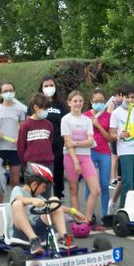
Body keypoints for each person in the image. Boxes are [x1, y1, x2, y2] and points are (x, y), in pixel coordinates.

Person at [10, 163, 84, 255]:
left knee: (54, 200)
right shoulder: (18, 190)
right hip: (21, 233)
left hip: (39, 231)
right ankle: (34, 241)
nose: (44, 190)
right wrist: (32, 200)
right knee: (17, 204)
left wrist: (73, 211)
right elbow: (20, 199)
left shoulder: (39, 197)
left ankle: (64, 237)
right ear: (34, 185)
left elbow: (57, 206)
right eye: (43, 187)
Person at [61, 90, 102, 230]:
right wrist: (76, 161)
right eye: (75, 101)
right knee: (73, 190)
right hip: (70, 157)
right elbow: (68, 142)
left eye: (80, 101)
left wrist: (77, 143)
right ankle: (77, 220)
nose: (78, 103)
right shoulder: (66, 119)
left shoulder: (86, 120)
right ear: (69, 103)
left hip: (86, 157)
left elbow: (90, 141)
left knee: (95, 190)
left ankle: (87, 220)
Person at [109, 84, 134, 208]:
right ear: (121, 97)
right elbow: (111, 135)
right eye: (127, 97)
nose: (130, 100)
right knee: (127, 182)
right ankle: (124, 209)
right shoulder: (116, 113)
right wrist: (120, 135)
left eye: (132, 98)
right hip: (125, 151)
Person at [34, 76, 68, 198]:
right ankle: (42, 197)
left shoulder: (61, 105)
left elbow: (66, 123)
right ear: (41, 88)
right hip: (41, 144)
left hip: (58, 143)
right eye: (46, 86)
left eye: (51, 85)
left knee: (58, 170)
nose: (49, 88)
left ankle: (58, 196)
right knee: (43, 172)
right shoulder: (35, 104)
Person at [0, 82, 25, 188]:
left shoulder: (20, 109)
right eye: (5, 91)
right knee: (0, 180)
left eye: (11, 90)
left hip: (15, 149)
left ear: (14, 92)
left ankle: (15, 203)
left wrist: (20, 138)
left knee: (15, 181)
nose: (8, 93)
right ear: (0, 94)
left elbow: (23, 128)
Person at [84, 88, 112, 224]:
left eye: (101, 101)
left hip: (104, 152)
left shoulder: (107, 116)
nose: (99, 103)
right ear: (91, 101)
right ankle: (90, 214)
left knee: (104, 184)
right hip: (89, 152)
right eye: (96, 101)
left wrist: (98, 125)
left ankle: (105, 215)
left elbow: (110, 138)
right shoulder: (84, 116)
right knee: (90, 186)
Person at [17, 94, 55, 189]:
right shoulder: (26, 125)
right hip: (32, 164)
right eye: (44, 109)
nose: (46, 111)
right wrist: (25, 162)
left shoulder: (49, 125)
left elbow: (50, 141)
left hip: (48, 163)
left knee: (45, 192)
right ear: (35, 107)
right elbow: (21, 146)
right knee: (31, 193)